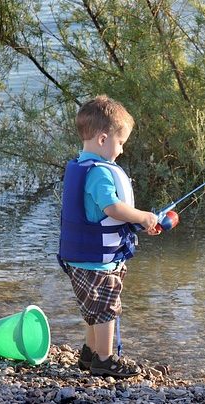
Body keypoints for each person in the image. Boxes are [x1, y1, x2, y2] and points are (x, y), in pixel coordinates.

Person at [57, 95, 159, 378]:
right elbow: (112, 208)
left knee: (93, 309)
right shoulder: (100, 174)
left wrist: (137, 223)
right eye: (121, 142)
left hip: (83, 260)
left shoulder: (82, 165)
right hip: (97, 263)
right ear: (103, 139)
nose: (123, 150)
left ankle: (89, 354)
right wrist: (142, 216)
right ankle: (105, 359)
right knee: (106, 310)